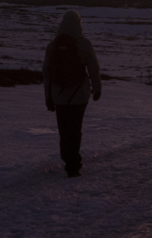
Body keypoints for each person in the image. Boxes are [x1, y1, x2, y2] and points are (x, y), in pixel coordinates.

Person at [43, 10, 102, 178]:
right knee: (75, 129)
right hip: (79, 95)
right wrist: (97, 88)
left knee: (64, 130)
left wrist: (48, 97)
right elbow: (94, 68)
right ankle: (73, 165)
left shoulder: (53, 45)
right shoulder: (84, 44)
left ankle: (68, 159)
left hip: (58, 95)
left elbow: (46, 72)